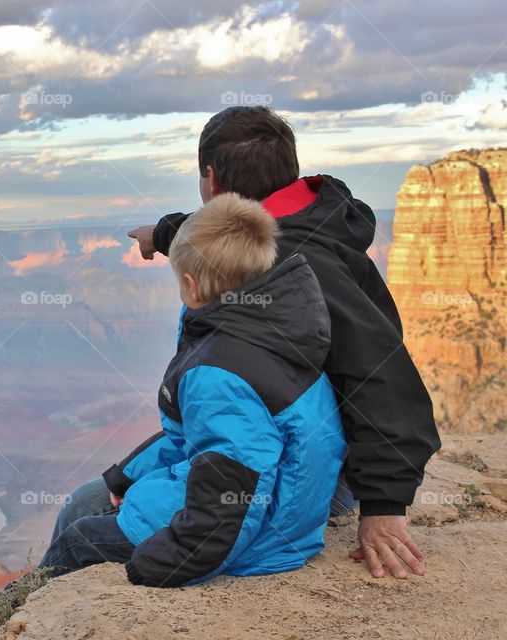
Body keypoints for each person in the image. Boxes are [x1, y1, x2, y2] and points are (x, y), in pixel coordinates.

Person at [54, 105, 440, 581]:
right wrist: (164, 232)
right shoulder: (307, 218)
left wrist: (384, 506)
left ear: (211, 179)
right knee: (126, 481)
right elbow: (227, 230)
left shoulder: (300, 262)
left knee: (83, 509)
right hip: (274, 439)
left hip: (292, 471)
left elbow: (381, 376)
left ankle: (26, 605)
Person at [37, 193, 346, 586]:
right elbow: (200, 440)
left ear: (192, 286)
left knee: (78, 539)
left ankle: (11, 607)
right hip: (280, 517)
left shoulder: (219, 375)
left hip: (259, 539)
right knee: (93, 505)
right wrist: (126, 475)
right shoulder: (275, 331)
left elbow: (230, 498)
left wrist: (164, 562)